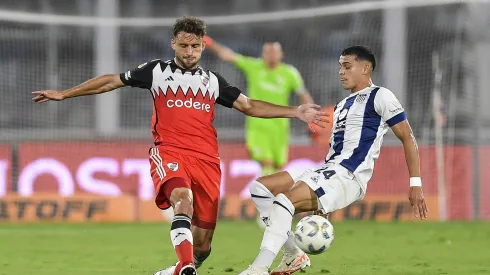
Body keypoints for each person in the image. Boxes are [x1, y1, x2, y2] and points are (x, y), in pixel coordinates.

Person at [31, 16, 328, 275]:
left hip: (208, 162)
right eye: (184, 46)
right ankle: (186, 268)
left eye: (195, 46)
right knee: (182, 200)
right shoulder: (156, 71)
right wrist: (65, 94)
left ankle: (183, 267)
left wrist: (295, 111)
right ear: (173, 44)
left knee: (203, 246)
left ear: (201, 47)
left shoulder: (213, 81)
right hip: (170, 152)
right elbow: (111, 81)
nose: (189, 52)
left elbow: (248, 105)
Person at [239, 46, 429, 275]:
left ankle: (258, 268)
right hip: (329, 170)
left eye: (347, 66)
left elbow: (407, 137)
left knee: (284, 201)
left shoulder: (381, 96)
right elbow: (335, 151)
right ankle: (293, 255)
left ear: (366, 68)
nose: (341, 72)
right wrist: (322, 200)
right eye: (340, 66)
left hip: (349, 175)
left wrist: (415, 184)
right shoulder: (341, 106)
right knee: (260, 188)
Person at [204, 36, 314, 177]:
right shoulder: (254, 66)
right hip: (258, 127)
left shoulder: (290, 73)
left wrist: (312, 116)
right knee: (266, 163)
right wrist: (211, 43)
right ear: (263, 54)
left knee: (278, 167)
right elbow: (228, 56)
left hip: (280, 128)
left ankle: (271, 196)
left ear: (281, 54)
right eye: (268, 52)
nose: (271, 55)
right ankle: (264, 196)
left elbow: (303, 94)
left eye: (274, 52)